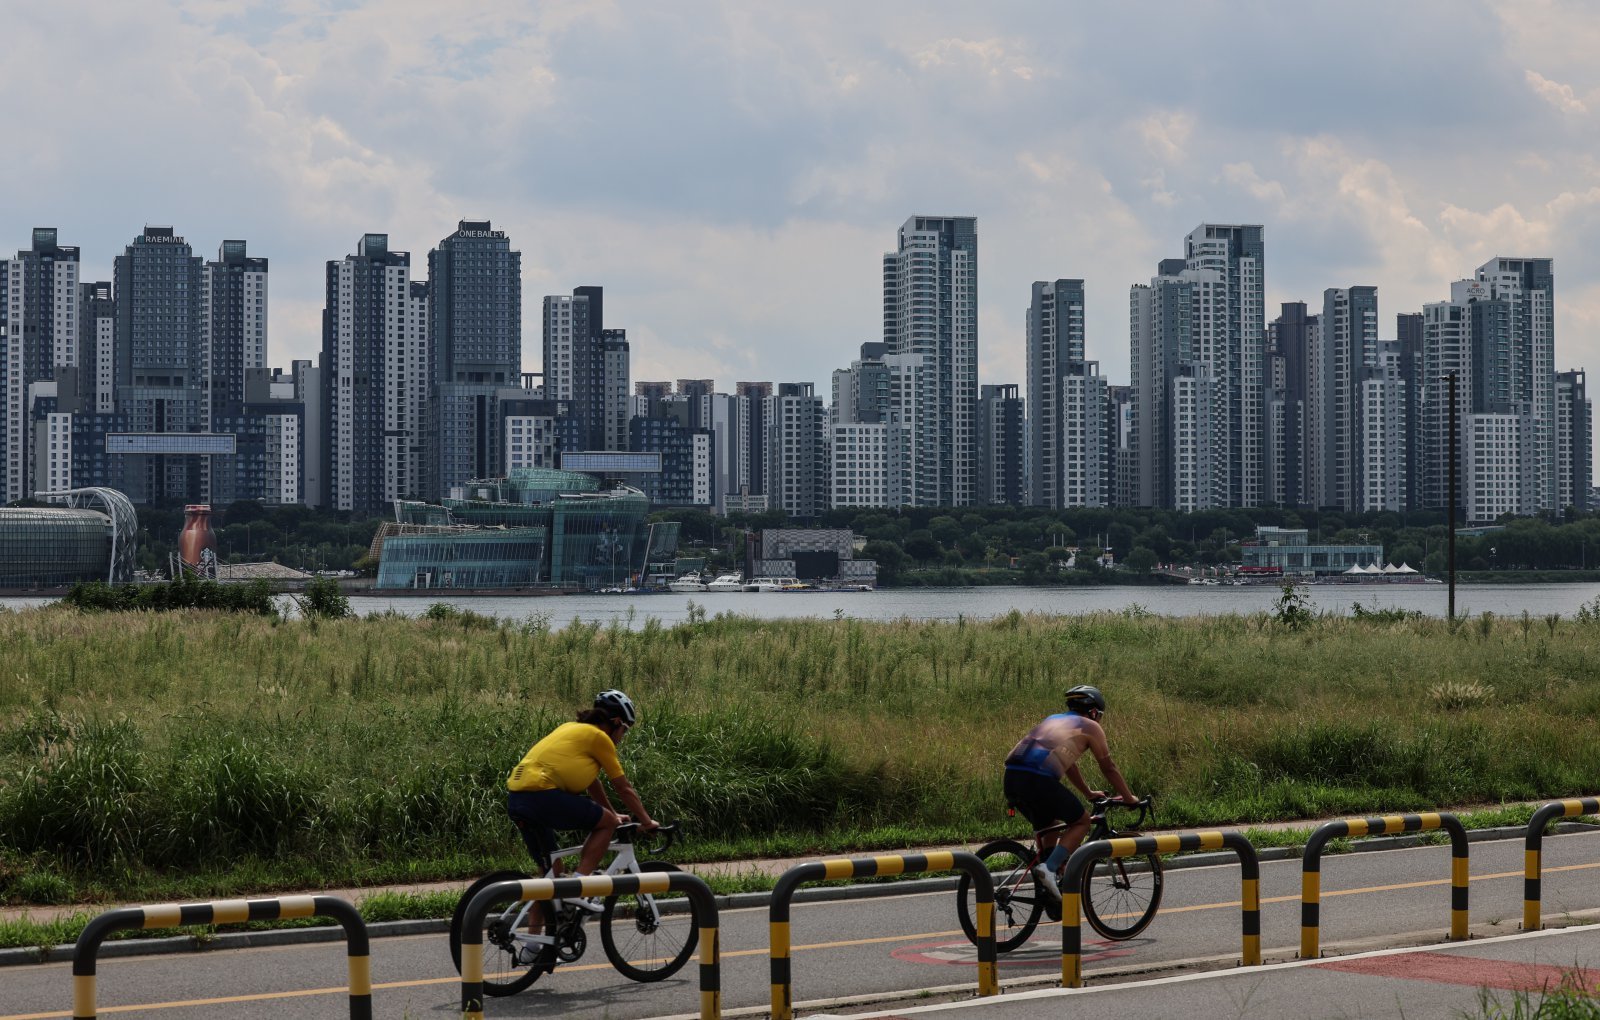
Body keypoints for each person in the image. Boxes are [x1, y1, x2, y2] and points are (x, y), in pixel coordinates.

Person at [506, 689, 660, 914]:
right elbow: (623, 787)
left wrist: (613, 812)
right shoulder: (600, 738)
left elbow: (592, 782)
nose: (622, 737)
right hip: (542, 793)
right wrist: (647, 822)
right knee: (606, 823)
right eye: (625, 730)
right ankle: (578, 888)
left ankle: (533, 947)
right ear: (616, 722)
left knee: (550, 880)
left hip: (518, 798)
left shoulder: (570, 728)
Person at [1002, 684, 1138, 902]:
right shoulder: (1090, 726)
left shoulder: (1054, 720)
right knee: (1082, 822)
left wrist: (1088, 792)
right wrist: (1130, 798)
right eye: (1100, 715)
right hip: (1037, 779)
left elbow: (1069, 765)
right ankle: (1050, 868)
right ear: (1094, 712)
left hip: (1011, 777)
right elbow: (1109, 767)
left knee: (1051, 825)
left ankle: (1048, 885)